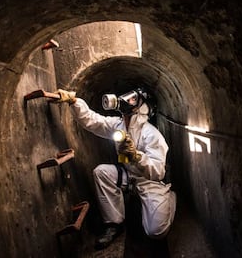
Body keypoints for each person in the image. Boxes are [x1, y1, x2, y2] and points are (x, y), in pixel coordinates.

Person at [53, 88, 176, 250]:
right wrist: (74, 102)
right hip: (128, 176)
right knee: (102, 172)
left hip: (149, 182)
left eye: (133, 100)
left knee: (156, 232)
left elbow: (158, 172)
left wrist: (136, 156)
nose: (127, 100)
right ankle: (114, 224)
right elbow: (92, 120)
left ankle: (170, 197)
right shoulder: (118, 125)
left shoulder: (151, 134)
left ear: (143, 108)